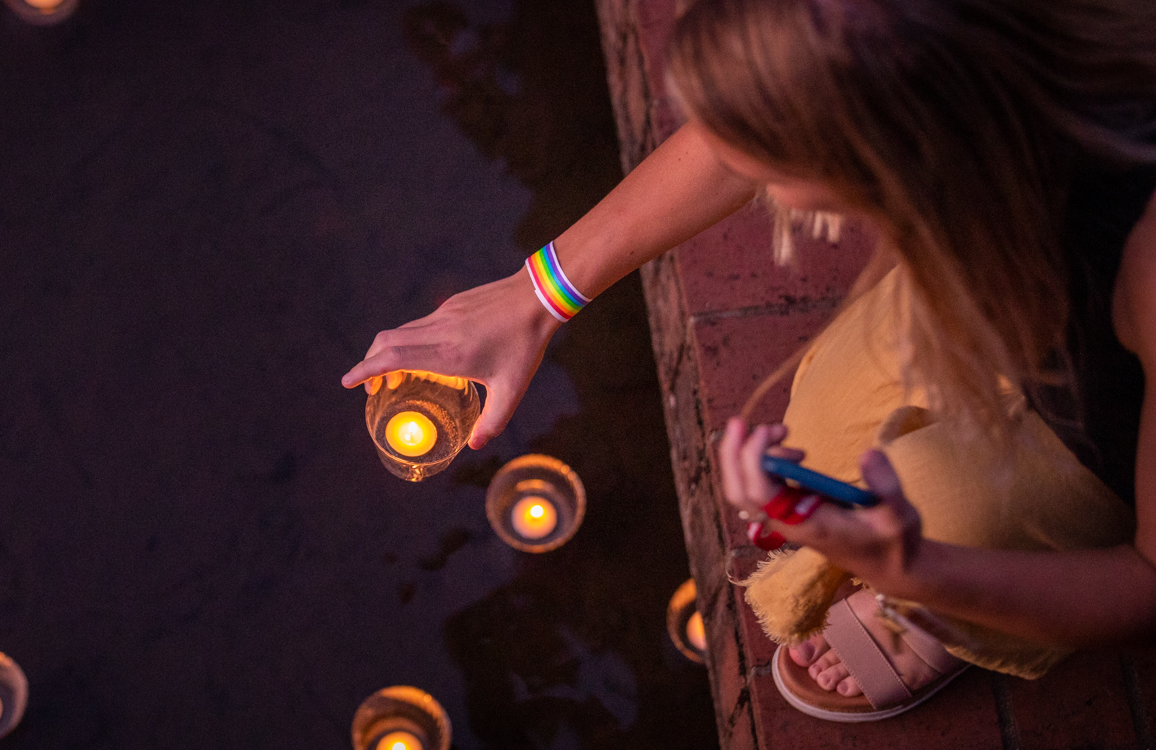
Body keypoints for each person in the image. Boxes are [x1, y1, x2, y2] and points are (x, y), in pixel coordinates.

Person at [343, 0, 1156, 722]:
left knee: (943, 509)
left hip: (1111, 431)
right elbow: (749, 122)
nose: (749, 177)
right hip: (1007, 298)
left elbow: (1145, 586)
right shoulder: (928, 56)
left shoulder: (1143, 261)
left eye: (778, 176)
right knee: (829, 415)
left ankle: (960, 600)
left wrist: (913, 569)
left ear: (892, 155)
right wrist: (535, 295)